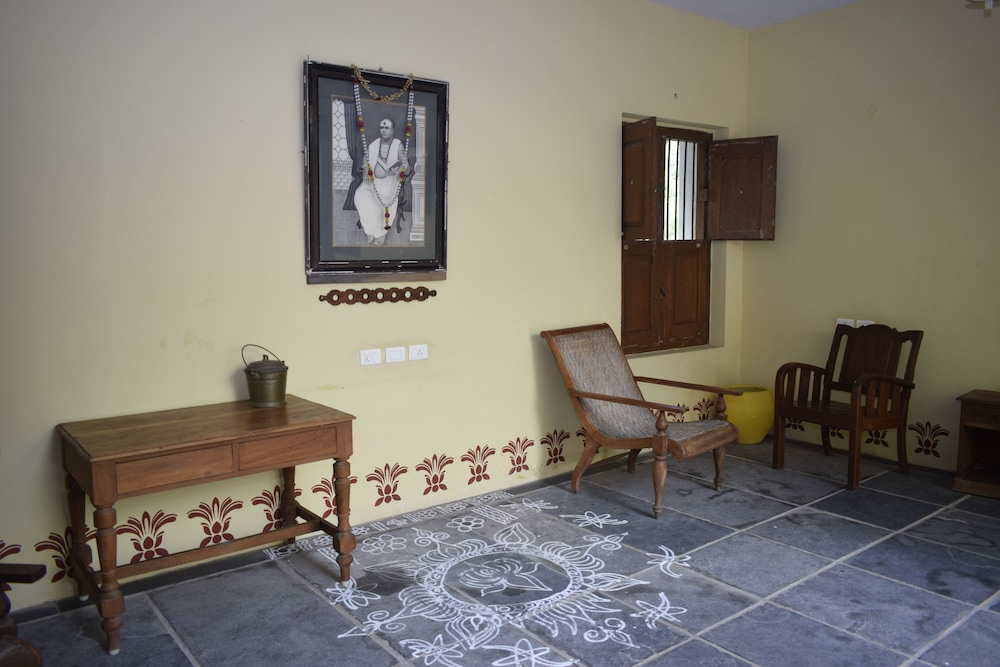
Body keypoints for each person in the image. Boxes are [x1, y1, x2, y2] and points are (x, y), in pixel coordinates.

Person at [354, 117, 408, 245]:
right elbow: (366, 160)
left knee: (381, 204)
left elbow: (404, 162)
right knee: (361, 196)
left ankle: (381, 233)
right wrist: (366, 171)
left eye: (387, 128)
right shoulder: (374, 144)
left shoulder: (398, 144)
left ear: (392, 130)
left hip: (390, 182)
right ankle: (370, 231)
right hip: (373, 182)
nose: (383, 130)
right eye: (382, 128)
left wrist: (399, 170)